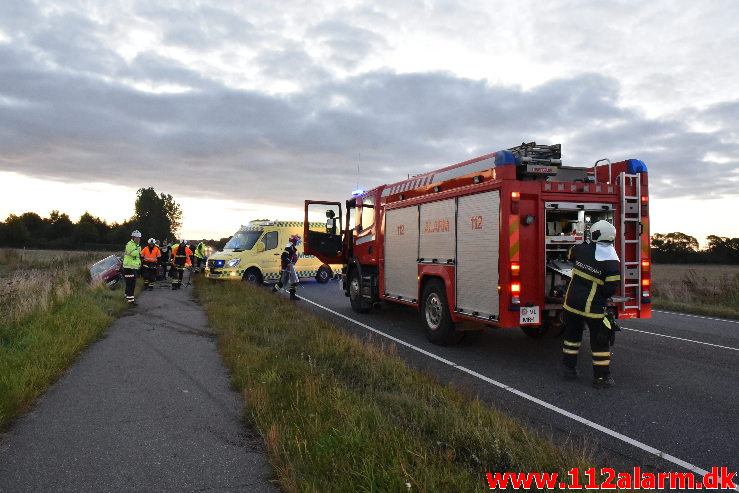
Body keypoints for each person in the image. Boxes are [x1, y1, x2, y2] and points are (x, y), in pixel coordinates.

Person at [561, 220, 621, 388]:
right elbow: (610, 289)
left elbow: (569, 255)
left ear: (593, 234)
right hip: (593, 310)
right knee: (600, 343)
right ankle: (601, 379)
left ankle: (569, 370)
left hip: (571, 305)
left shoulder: (581, 250)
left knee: (571, 339)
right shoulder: (611, 262)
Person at [272, 234, 301, 300]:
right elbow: (283, 257)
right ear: (293, 241)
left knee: (294, 281)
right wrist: (289, 263)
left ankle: (292, 296)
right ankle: (272, 292)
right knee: (282, 283)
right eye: (296, 241)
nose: (297, 242)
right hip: (286, 268)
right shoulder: (289, 247)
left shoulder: (292, 247)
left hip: (290, 268)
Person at [122, 230, 142, 305]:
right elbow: (133, 254)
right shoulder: (130, 244)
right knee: (131, 284)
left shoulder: (136, 245)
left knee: (130, 283)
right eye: (137, 238)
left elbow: (137, 258)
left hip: (133, 269)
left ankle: (127, 297)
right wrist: (139, 249)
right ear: (133, 238)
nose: (138, 239)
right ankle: (130, 301)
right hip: (128, 269)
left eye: (139, 238)